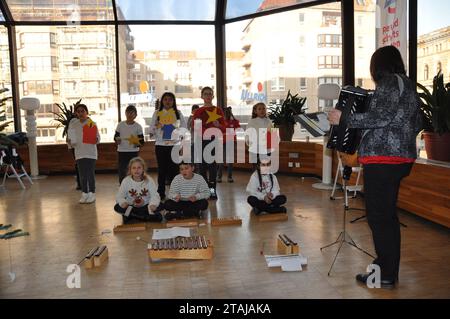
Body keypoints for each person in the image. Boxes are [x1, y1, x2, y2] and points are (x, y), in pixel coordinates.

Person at [328, 46, 422, 289]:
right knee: (387, 217)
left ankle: (386, 274)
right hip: (400, 158)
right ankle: (388, 271)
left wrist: (344, 119)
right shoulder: (408, 84)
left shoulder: (389, 82)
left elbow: (382, 117)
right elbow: (417, 122)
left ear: (378, 66)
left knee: (379, 218)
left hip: (384, 159)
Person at [149, 92, 186, 200]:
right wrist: (155, 128)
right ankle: (160, 192)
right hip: (161, 145)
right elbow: (151, 129)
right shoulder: (157, 113)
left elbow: (183, 129)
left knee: (174, 170)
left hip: (175, 146)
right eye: (165, 99)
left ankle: (175, 192)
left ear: (173, 101)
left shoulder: (178, 113)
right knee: (162, 170)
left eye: (170, 99)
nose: (168, 101)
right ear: (162, 101)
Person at [192, 87, 226, 199]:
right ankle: (205, 189)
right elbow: (195, 127)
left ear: (213, 96)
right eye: (205, 94)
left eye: (210, 94)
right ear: (202, 96)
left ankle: (212, 190)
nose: (207, 96)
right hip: (201, 141)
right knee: (201, 167)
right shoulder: (198, 111)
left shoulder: (218, 110)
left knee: (212, 167)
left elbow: (224, 127)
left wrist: (218, 126)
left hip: (214, 140)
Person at [67, 104, 100, 204]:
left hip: (90, 153)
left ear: (87, 112)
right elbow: (71, 141)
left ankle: (92, 194)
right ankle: (84, 193)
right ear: (76, 113)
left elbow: (98, 138)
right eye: (78, 111)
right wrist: (69, 141)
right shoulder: (73, 124)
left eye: (83, 111)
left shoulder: (91, 123)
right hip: (79, 153)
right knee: (82, 175)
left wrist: (96, 139)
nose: (81, 113)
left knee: (90, 174)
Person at [114, 157, 162, 223]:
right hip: (131, 207)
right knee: (117, 207)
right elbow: (119, 195)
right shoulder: (126, 181)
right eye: (134, 168)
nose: (136, 170)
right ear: (130, 169)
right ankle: (143, 217)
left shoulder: (149, 180)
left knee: (160, 205)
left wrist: (153, 204)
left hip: (146, 206)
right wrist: (123, 202)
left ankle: (134, 217)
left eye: (139, 167)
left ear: (143, 169)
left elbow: (155, 195)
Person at [114, 104, 144, 184]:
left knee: (134, 170)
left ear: (135, 115)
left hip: (133, 152)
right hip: (122, 151)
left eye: (132, 113)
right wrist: (117, 140)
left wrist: (137, 144)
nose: (130, 115)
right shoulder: (120, 125)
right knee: (122, 171)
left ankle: (134, 185)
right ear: (125, 114)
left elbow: (141, 141)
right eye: (128, 113)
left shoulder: (138, 126)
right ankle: (122, 187)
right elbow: (116, 137)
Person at [217, 106, 240, 183]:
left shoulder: (234, 122)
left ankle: (229, 177)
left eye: (229, 113)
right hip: (223, 143)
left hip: (232, 142)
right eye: (225, 113)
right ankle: (219, 176)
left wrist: (233, 117)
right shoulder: (221, 122)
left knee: (230, 161)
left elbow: (238, 127)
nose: (227, 114)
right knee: (222, 161)